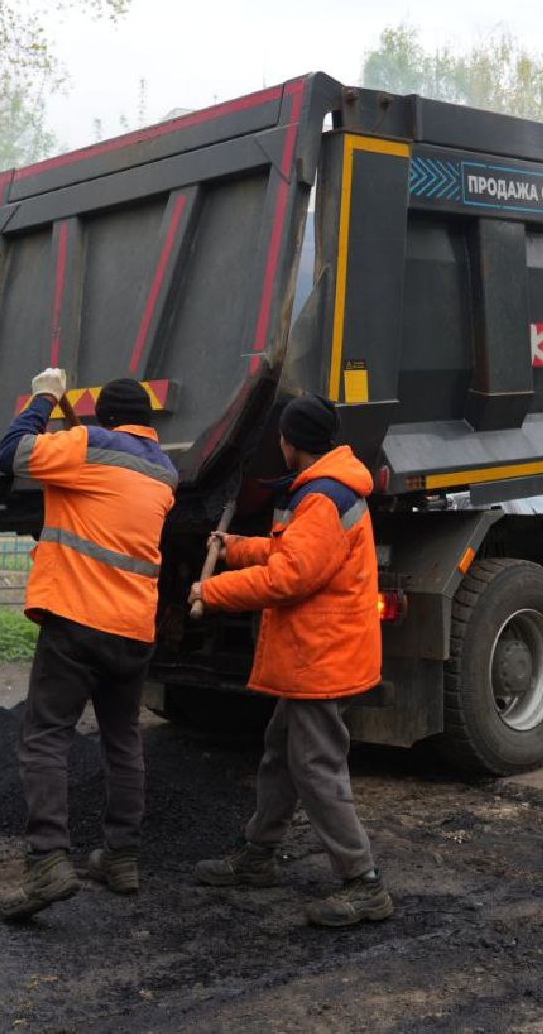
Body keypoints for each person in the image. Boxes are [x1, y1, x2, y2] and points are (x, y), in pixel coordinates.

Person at [189, 394, 392, 928]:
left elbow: (290, 578)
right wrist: (234, 547)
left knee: (316, 768)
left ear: (290, 441)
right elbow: (291, 553)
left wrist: (214, 592)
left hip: (322, 659)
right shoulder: (323, 490)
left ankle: (363, 883)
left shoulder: (324, 497)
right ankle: (258, 855)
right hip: (316, 655)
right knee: (281, 754)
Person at [0, 370, 177, 923]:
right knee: (123, 741)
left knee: (46, 738)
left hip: (75, 618)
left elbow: (10, 453)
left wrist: (46, 396)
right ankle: (121, 858)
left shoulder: (89, 444)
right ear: (146, 420)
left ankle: (49, 860)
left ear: (105, 416)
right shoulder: (165, 472)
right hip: (133, 628)